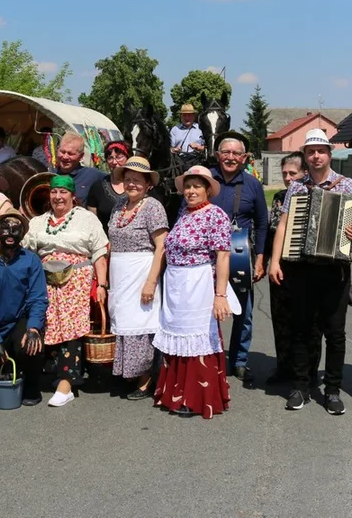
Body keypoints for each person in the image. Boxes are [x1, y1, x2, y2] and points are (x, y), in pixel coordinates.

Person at [268, 128, 352, 416]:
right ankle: (301, 386)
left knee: (335, 333)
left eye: (320, 151)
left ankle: (333, 390)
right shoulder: (297, 189)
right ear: (305, 156)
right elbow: (285, 226)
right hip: (301, 269)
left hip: (335, 271)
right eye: (310, 152)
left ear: (329, 153)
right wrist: (275, 261)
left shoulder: (347, 185)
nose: (315, 156)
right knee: (301, 329)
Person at [153, 165, 233, 419]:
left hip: (198, 284)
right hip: (178, 284)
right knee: (177, 335)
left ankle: (196, 397)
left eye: (197, 186)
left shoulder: (216, 215)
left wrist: (220, 295)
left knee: (197, 338)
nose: (191, 191)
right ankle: (175, 393)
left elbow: (222, 256)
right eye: (188, 186)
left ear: (208, 189)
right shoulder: (184, 214)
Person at [23, 174, 110, 407]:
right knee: (49, 324)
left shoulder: (87, 220)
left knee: (71, 326)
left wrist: (101, 284)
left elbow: (100, 251)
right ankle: (57, 371)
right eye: (54, 192)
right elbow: (26, 248)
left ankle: (67, 382)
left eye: (63, 192)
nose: (58, 197)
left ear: (73, 196)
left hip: (76, 278)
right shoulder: (39, 221)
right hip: (46, 280)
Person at [208, 131, 269, 383]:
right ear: (217, 155)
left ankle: (239, 360)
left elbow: (263, 223)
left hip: (240, 255)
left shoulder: (252, 184)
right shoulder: (206, 179)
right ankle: (208, 357)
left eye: (236, 153)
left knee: (243, 312)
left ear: (243, 157)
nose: (230, 157)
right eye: (226, 152)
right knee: (205, 308)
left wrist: (260, 258)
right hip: (207, 257)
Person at [106, 156, 168, 400]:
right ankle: (129, 374)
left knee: (142, 325)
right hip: (120, 272)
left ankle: (146, 377)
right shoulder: (118, 205)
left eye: (137, 180)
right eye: (128, 179)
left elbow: (162, 246)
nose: (132, 184)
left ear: (148, 184)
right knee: (124, 322)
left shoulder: (153, 207)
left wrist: (151, 281)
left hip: (142, 270)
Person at [0, 209, 49, 407]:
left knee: (31, 344)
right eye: (5, 229)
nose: (10, 233)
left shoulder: (31, 260)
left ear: (23, 234)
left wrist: (34, 327)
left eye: (16, 230)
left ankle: (33, 387)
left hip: (19, 320)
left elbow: (38, 298)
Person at [264, 152, 321, 387]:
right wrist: (267, 261)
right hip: (281, 266)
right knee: (281, 319)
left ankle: (310, 371)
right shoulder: (279, 197)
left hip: (307, 270)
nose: (288, 178)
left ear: (304, 173)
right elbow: (270, 232)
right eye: (285, 173)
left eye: (293, 173)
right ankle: (284, 367)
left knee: (310, 322)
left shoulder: (315, 196)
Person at [84, 141, 131, 232]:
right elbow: (92, 222)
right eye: (110, 158)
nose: (114, 162)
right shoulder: (98, 188)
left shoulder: (139, 186)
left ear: (128, 158)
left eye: (119, 157)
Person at [54, 131, 106, 205]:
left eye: (70, 153)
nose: (65, 157)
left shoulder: (92, 175)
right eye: (62, 152)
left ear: (81, 156)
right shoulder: (49, 175)